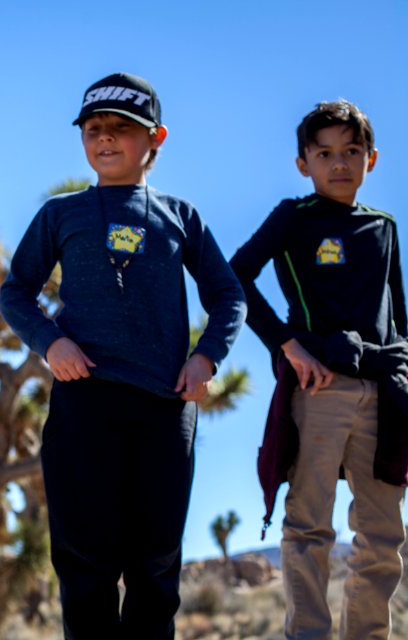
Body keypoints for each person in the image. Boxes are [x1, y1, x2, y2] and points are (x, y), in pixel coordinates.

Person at [0, 72, 246, 639]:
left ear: (155, 137)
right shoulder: (61, 215)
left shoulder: (181, 216)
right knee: (85, 562)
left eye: (121, 129)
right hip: (85, 403)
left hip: (165, 406)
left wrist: (207, 357)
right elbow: (15, 292)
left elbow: (228, 294)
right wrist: (50, 341)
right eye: (93, 129)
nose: (105, 139)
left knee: (156, 564)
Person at [230, 100, 408, 639]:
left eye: (351, 152)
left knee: (381, 534)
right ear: (303, 162)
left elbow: (397, 311)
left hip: (383, 390)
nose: (339, 164)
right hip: (320, 386)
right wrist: (289, 346)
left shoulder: (384, 227)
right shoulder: (295, 217)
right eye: (324, 153)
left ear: (371, 160)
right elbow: (236, 274)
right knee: (309, 527)